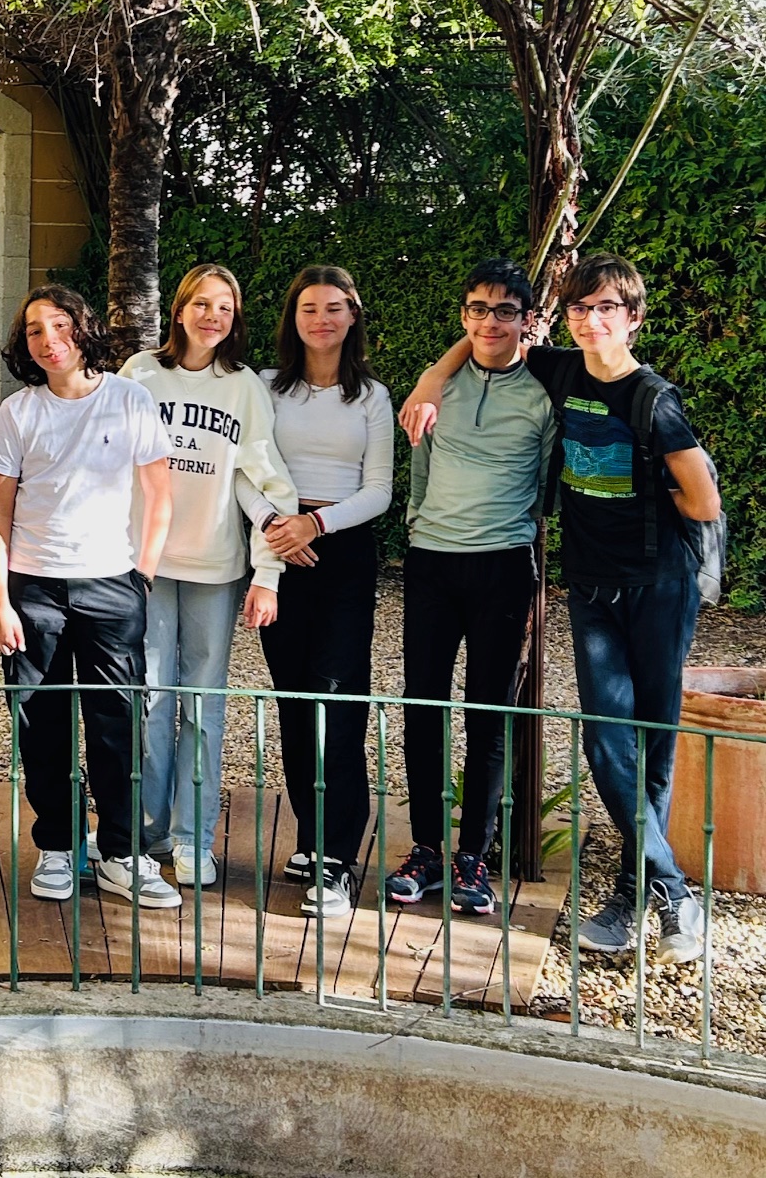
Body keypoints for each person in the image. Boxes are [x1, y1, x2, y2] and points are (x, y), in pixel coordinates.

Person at [400, 251, 720, 967]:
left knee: (653, 744)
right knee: (608, 741)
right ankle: (668, 891)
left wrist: (639, 507)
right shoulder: (559, 371)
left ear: (633, 317)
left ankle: (645, 895)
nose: (592, 318)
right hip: (591, 588)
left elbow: (703, 501)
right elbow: (487, 338)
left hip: (658, 586)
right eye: (581, 307)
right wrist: (429, 375)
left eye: (607, 308)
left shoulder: (654, 398)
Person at [0, 284, 182, 910]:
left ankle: (123, 854)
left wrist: (141, 576)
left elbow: (160, 494)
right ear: (25, 346)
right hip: (35, 589)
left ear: (83, 328)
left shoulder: (130, 400)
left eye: (60, 325)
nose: (49, 340)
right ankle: (59, 847)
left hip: (112, 585)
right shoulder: (18, 412)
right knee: (41, 724)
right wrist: (1, 601)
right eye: (36, 330)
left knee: (117, 723)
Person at [385, 259, 555, 918]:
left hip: (503, 567)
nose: (489, 321)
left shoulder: (544, 393)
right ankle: (426, 849)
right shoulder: (438, 387)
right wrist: (418, 526)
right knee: (421, 707)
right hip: (432, 562)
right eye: (477, 309)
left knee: (489, 717)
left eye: (504, 310)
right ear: (464, 316)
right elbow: (419, 468)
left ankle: (472, 858)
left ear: (527, 321)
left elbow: (543, 487)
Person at [120, 263, 298, 887]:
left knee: (202, 705)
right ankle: (146, 834)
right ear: (179, 308)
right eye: (202, 303)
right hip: (143, 565)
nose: (212, 316)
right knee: (149, 698)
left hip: (214, 569)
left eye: (225, 307)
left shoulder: (244, 386)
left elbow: (263, 478)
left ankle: (195, 839)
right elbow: (110, 460)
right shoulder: (141, 374)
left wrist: (268, 569)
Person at [252, 263, 394, 920]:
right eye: (310, 307)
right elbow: (240, 469)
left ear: (354, 315)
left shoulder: (372, 397)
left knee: (337, 699)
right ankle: (310, 836)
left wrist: (318, 522)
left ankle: (338, 857)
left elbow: (380, 490)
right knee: (293, 699)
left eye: (335, 307)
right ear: (294, 318)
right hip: (277, 546)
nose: (322, 318)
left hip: (341, 549)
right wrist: (277, 525)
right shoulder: (263, 387)